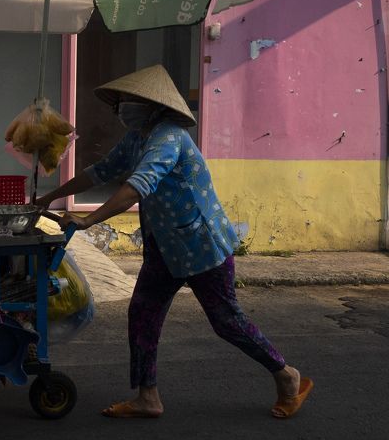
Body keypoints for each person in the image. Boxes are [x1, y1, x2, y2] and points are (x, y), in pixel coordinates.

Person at [37, 64, 313, 419]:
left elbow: (139, 185)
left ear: (151, 104)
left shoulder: (169, 137)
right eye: (118, 103)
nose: (121, 109)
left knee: (226, 320)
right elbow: (101, 171)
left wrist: (90, 218)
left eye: (127, 101)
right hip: (164, 248)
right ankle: (148, 397)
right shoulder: (139, 137)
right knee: (143, 315)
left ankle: (287, 375)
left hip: (201, 246)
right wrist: (50, 197)